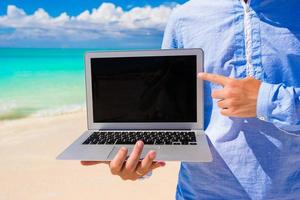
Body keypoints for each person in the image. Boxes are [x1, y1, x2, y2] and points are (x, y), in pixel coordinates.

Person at [81, 0, 300, 199]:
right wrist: (138, 165)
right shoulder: (184, 18)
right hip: (198, 193)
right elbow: (165, 114)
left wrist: (266, 99)